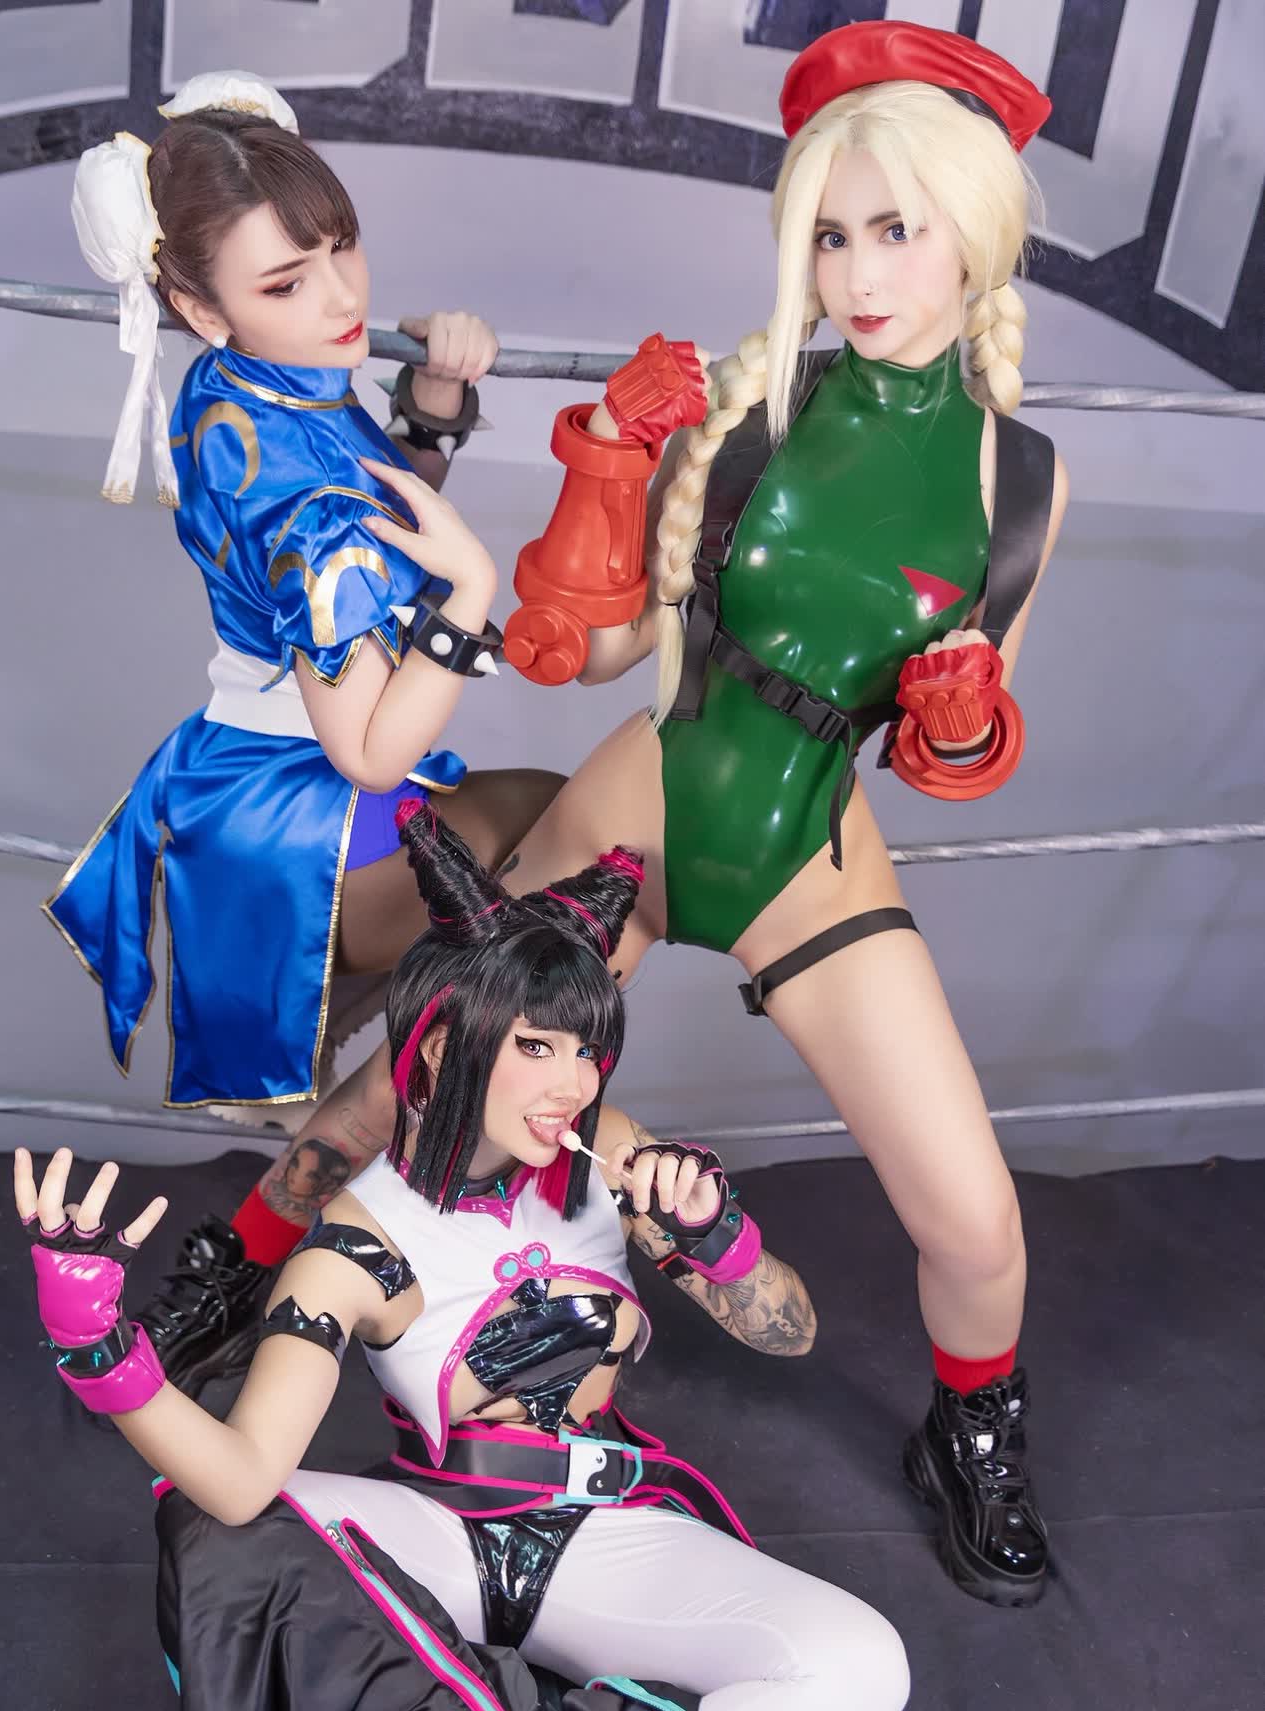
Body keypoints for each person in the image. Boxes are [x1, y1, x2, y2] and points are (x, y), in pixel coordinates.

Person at [15, 804, 907, 1711]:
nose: (573, 1083)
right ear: (443, 1044)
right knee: (225, 1536)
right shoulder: (359, 1242)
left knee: (861, 1666)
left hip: (606, 1535)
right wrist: (99, 1348)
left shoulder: (613, 1157)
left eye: (587, 1049)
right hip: (439, 1539)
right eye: (537, 1046)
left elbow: (790, 1327)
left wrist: (719, 1239)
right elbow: (243, 1478)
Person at [496, 22, 1068, 1608]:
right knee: (431, 1072)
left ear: (975, 232)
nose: (856, 274)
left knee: (975, 1223)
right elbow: (584, 651)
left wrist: (957, 720)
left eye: (894, 229)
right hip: (640, 810)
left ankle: (971, 1435)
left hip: (810, 859)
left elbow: (956, 743)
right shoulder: (750, 408)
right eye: (828, 234)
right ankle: (255, 1273)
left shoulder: (1021, 480)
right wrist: (605, 466)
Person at [45, 70, 562, 1387]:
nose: (340, 299)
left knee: (485, 979)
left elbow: (369, 522)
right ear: (196, 305)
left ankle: (246, 1262)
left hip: (246, 781)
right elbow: (370, 745)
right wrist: (470, 601)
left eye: (342, 249)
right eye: (287, 280)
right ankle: (368, 1247)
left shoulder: (249, 383)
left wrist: (428, 413)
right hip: (316, 816)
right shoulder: (283, 477)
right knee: (567, 869)